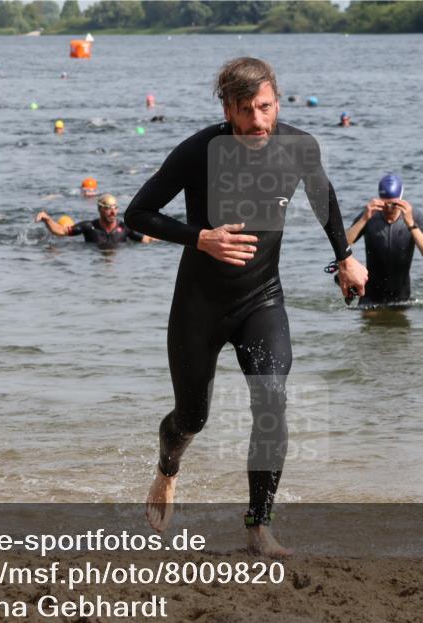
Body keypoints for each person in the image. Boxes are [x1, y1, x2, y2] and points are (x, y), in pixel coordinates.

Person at [125, 57, 367, 557]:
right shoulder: (199, 151)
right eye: (246, 110)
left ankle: (258, 526)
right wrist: (200, 238)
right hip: (199, 305)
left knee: (272, 401)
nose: (259, 121)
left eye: (266, 107)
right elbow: (138, 213)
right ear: (228, 110)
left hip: (262, 299)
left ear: (277, 100)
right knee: (192, 419)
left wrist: (345, 257)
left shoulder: (298, 147)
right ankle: (168, 469)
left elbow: (324, 197)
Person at [345, 173, 423, 307]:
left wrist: (411, 224)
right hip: (370, 298)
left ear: (401, 199)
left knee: (400, 328)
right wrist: (364, 219)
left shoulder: (413, 217)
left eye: (394, 204)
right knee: (369, 326)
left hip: (402, 298)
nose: (389, 208)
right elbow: (343, 244)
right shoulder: (369, 215)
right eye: (384, 203)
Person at [36, 194, 152, 248]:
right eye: (108, 208)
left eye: (115, 208)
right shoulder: (89, 227)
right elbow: (61, 232)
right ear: (100, 209)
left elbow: (147, 239)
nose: (113, 212)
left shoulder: (125, 228)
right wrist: (47, 219)